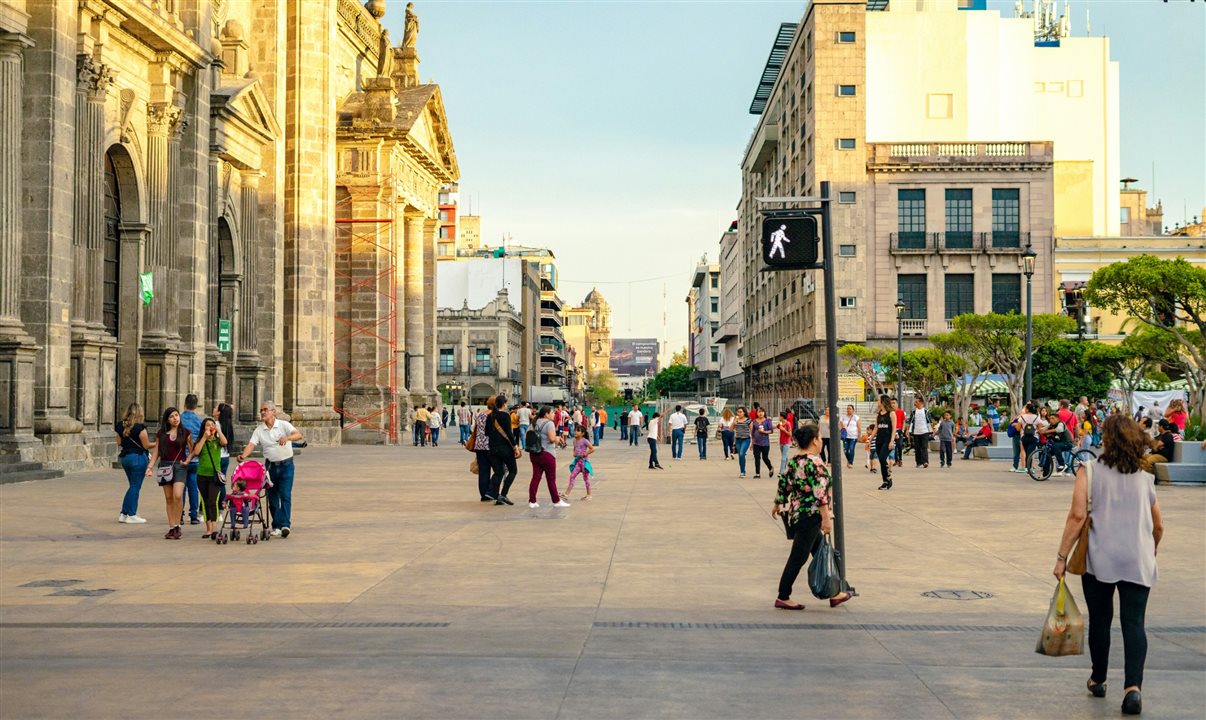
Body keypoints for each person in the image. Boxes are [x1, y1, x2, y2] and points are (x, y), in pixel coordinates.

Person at [1053, 415, 1162, 716]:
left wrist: (1061, 557)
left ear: (1107, 440)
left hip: (1099, 558)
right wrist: (1152, 548)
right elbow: (1158, 525)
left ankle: (1098, 679)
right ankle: (1133, 689)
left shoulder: (1088, 471)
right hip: (1138, 558)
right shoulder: (1145, 477)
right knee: (1134, 623)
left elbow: (1077, 517)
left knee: (1101, 620)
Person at [770, 422, 853, 611]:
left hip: (798, 514)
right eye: (820, 438)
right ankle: (783, 595)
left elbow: (784, 484)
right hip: (811, 515)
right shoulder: (815, 463)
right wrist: (826, 518)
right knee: (798, 557)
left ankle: (835, 593)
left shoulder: (794, 461)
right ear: (815, 441)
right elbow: (820, 494)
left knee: (821, 550)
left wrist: (777, 503)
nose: (822, 441)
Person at [236, 401, 303, 538]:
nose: (262, 412)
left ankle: (285, 524)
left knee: (285, 495)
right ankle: (276, 525)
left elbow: (298, 435)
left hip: (286, 465)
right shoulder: (259, 430)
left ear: (273, 412)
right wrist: (243, 455)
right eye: (261, 410)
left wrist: (287, 438)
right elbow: (251, 444)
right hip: (270, 467)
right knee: (272, 497)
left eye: (265, 409)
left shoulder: (283, 425)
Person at [144, 407, 192, 539]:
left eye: (176, 415)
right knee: (169, 498)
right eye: (172, 416)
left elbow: (192, 450)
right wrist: (150, 467)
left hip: (180, 466)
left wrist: (188, 460)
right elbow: (157, 451)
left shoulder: (186, 432)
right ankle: (172, 527)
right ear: (167, 420)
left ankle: (178, 525)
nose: (175, 418)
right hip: (165, 466)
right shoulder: (161, 434)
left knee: (178, 495)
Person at [115, 402, 152, 524]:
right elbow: (146, 445)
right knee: (135, 486)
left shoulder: (120, 426)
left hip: (125, 458)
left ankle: (124, 513)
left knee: (132, 486)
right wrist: (158, 443)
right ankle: (131, 514)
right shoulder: (140, 427)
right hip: (138, 458)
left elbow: (119, 442)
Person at [191, 417, 227, 540]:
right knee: (205, 501)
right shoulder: (201, 440)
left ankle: (214, 528)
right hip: (202, 475)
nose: (211, 427)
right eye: (208, 425)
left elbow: (225, 442)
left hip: (215, 476)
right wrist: (204, 437)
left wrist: (218, 430)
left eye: (212, 424)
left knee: (213, 501)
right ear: (203, 428)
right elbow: (196, 452)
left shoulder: (217, 441)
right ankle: (209, 529)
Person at [528, 406, 569, 508]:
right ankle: (556, 501)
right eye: (552, 413)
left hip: (534, 453)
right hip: (547, 453)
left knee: (536, 477)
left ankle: (532, 501)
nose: (554, 414)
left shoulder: (533, 423)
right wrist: (558, 438)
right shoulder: (549, 423)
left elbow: (526, 437)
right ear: (546, 414)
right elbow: (551, 438)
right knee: (551, 479)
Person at [486, 394, 520, 506]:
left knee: (498, 473)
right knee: (513, 471)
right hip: (505, 448)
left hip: (492, 448)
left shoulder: (490, 416)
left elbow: (486, 432)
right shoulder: (505, 415)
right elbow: (509, 433)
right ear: (504, 404)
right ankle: (503, 494)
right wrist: (515, 446)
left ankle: (496, 496)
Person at [179, 394, 203, 525]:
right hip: (194, 458)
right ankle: (194, 515)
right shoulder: (199, 421)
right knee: (193, 487)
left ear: (184, 404)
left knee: (181, 487)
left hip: (181, 458)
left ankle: (180, 514)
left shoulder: (179, 419)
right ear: (196, 406)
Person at [565, 425, 595, 500]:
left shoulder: (585, 440)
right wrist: (574, 453)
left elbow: (592, 449)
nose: (575, 432)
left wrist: (585, 454)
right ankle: (566, 494)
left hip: (584, 463)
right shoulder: (574, 441)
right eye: (575, 430)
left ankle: (589, 495)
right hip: (578, 463)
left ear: (583, 433)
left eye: (578, 431)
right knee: (572, 476)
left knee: (585, 478)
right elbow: (574, 448)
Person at [1012, 403, 1043, 474]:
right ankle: (1029, 468)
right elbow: (1040, 428)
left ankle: (1027, 467)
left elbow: (1018, 428)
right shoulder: (1037, 418)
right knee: (1031, 452)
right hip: (1034, 437)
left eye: (1025, 408)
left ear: (1027, 409)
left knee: (1026, 452)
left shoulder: (1022, 417)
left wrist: (1017, 426)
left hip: (1024, 437)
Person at [874, 395, 896, 490]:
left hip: (888, 439)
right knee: (881, 460)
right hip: (879, 439)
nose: (877, 402)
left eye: (878, 400)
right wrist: (870, 440)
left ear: (883, 401)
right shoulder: (878, 414)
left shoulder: (891, 413)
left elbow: (894, 428)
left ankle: (888, 478)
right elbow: (876, 427)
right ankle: (885, 481)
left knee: (883, 458)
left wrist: (892, 441)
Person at [472, 408, 494, 502]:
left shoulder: (480, 415)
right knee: (499, 471)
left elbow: (475, 429)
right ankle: (490, 491)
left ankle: (484, 494)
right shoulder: (494, 416)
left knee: (483, 472)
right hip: (490, 446)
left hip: (479, 445)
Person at [907, 398, 932, 468]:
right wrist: (909, 431)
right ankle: (918, 462)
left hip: (925, 431)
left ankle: (925, 462)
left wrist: (931, 431)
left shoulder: (926, 411)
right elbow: (911, 422)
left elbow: (929, 422)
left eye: (916, 402)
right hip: (916, 432)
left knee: (924, 447)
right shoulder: (913, 412)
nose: (915, 403)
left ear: (921, 403)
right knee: (917, 448)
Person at [751, 408, 773, 478]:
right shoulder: (754, 421)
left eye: (762, 412)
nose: (760, 413)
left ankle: (770, 467)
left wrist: (764, 432)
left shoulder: (767, 421)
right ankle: (757, 474)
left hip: (765, 443)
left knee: (765, 457)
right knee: (757, 457)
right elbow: (753, 433)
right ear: (757, 413)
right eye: (759, 412)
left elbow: (771, 431)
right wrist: (752, 443)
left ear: (764, 413)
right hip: (756, 443)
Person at [733, 407, 752, 478]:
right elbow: (731, 429)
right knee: (740, 456)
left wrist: (753, 442)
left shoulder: (748, 420)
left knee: (741, 454)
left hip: (746, 439)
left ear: (744, 412)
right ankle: (742, 471)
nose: (739, 413)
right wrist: (734, 422)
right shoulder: (736, 420)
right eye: (738, 412)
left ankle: (743, 472)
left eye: (740, 412)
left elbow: (752, 431)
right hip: (738, 440)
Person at [891, 398, 906, 467]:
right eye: (891, 403)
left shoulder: (901, 412)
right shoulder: (890, 412)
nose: (892, 405)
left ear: (897, 404)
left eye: (894, 403)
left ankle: (900, 459)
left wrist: (902, 430)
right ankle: (896, 460)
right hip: (892, 430)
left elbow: (903, 422)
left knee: (899, 445)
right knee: (894, 446)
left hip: (899, 430)